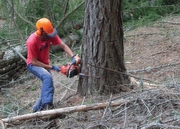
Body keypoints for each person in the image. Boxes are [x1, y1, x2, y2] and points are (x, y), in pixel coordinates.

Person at [26, 18, 80, 112]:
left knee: (48, 86)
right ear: (41, 32)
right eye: (48, 35)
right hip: (33, 65)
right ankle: (48, 106)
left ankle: (36, 110)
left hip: (45, 63)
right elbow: (34, 61)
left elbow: (62, 45)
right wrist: (52, 67)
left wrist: (73, 56)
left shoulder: (49, 34)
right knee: (47, 77)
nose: (50, 37)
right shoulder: (32, 41)